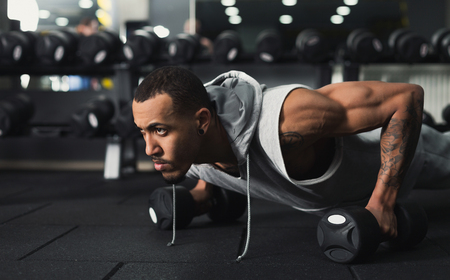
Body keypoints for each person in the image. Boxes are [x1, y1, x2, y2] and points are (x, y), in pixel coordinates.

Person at [132, 66, 450, 243]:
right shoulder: (183, 151)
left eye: (159, 130)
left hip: (416, 158)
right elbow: (219, 163)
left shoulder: (287, 121)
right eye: (143, 132)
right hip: (343, 195)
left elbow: (405, 97)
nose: (149, 149)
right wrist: (202, 195)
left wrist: (382, 203)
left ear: (202, 121)